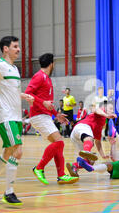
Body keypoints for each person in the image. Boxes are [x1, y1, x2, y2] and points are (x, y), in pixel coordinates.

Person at [0, 36, 35, 206]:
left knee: (8, 152)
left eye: (18, 46)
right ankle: (9, 192)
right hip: (6, 116)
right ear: (5, 49)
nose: (18, 49)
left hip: (16, 116)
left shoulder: (14, 69)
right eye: (15, 46)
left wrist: (22, 95)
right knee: (17, 152)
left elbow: (9, 90)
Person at [25, 53, 79, 185]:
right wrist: (43, 103)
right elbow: (28, 93)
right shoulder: (39, 76)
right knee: (60, 142)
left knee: (57, 146)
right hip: (38, 115)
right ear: (51, 64)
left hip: (45, 115)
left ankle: (61, 176)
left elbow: (47, 104)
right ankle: (39, 167)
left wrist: (57, 114)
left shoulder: (47, 78)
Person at [66, 102, 117, 177]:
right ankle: (86, 151)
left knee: (90, 162)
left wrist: (103, 155)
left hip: (77, 137)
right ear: (104, 108)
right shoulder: (100, 111)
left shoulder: (101, 123)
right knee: (90, 140)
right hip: (82, 127)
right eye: (110, 108)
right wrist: (107, 115)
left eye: (113, 109)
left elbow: (98, 142)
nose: (112, 111)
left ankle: (74, 166)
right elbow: (97, 110)